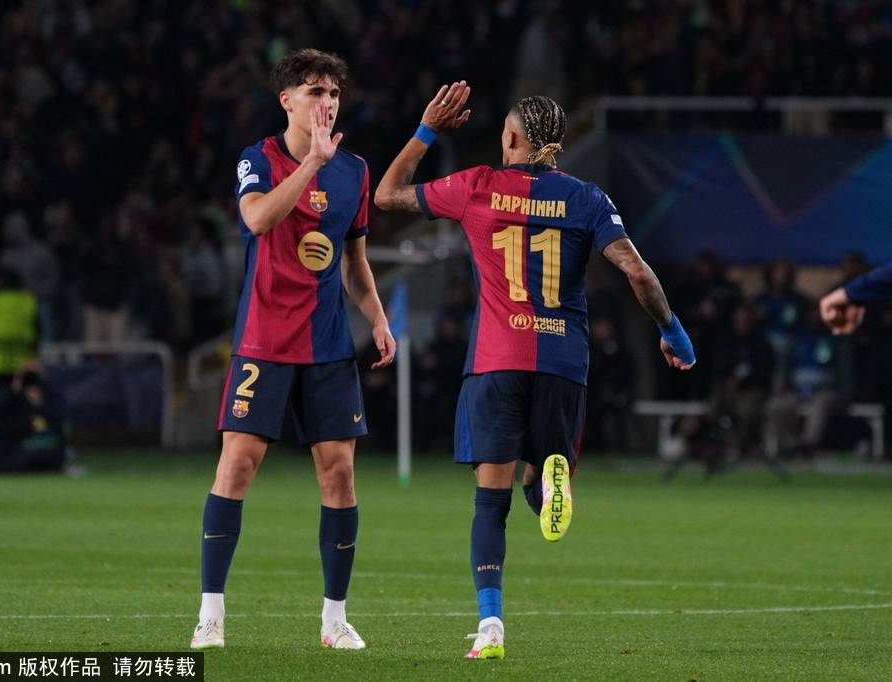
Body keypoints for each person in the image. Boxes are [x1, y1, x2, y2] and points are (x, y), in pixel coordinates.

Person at [375, 82, 695, 659]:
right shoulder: (587, 199)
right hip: (563, 365)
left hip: (497, 362)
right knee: (539, 473)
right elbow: (637, 272)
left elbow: (387, 195)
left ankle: (491, 627)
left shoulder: (476, 186)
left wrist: (427, 131)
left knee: (487, 503)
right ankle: (547, 482)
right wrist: (671, 329)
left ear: (511, 138)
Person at [190, 49, 395, 651]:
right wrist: (310, 164)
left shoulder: (354, 171)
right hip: (264, 340)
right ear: (287, 101)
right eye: (314, 91)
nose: (326, 102)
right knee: (237, 465)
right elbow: (257, 219)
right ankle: (210, 615)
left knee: (340, 474)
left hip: (328, 345)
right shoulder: (258, 159)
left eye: (333, 92)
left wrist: (377, 319)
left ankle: (335, 619)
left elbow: (354, 260)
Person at [819, 261, 892, 335]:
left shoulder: (857, 290)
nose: (848, 271)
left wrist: (848, 293)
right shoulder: (847, 288)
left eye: (852, 267)